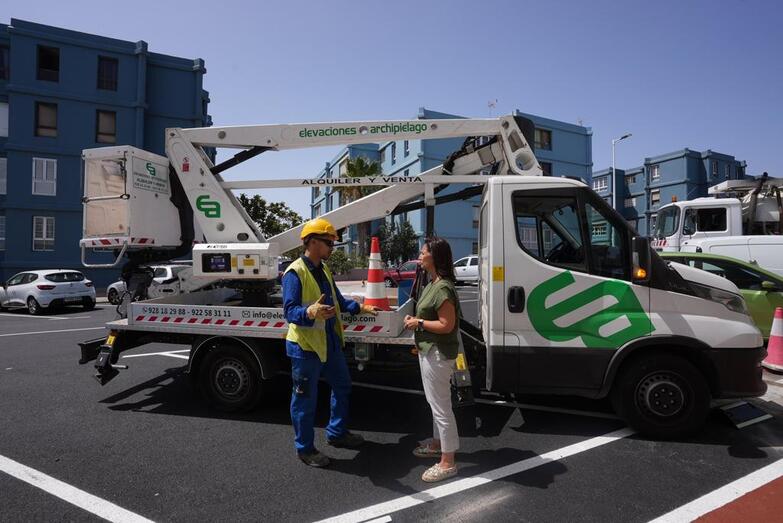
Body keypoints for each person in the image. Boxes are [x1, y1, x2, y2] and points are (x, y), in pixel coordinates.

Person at [283, 218, 382, 467]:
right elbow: (290, 311)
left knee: (342, 386)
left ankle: (337, 433)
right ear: (312, 242)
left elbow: (338, 300)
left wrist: (360, 307)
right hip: (306, 347)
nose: (332, 248)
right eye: (329, 243)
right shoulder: (295, 272)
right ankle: (305, 449)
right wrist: (310, 312)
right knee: (305, 400)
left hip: (330, 342)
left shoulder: (324, 269)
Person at [403, 237, 462, 482]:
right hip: (429, 351)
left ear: (434, 256)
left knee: (440, 406)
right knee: (435, 402)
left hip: (438, 353)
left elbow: (446, 325)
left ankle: (448, 462)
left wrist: (418, 323)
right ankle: (439, 445)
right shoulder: (432, 283)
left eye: (424, 251)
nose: (420, 253)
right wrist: (416, 321)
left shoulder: (443, 287)